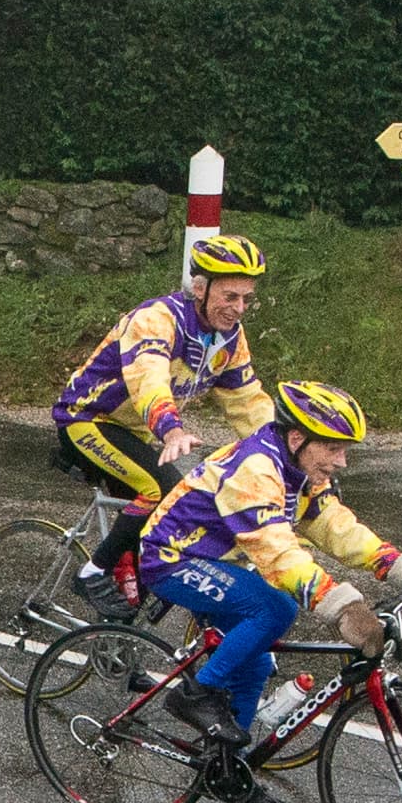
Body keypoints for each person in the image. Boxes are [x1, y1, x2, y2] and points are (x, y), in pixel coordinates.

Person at [134, 380, 402, 803]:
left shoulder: (297, 470)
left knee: (255, 661)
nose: (341, 461)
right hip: (172, 558)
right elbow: (278, 554)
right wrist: (344, 608)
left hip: (222, 559)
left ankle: (227, 767)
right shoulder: (256, 470)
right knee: (274, 607)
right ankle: (198, 695)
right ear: (298, 438)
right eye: (333, 448)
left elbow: (334, 527)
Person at [54, 231, 274, 613]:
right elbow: (148, 380)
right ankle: (91, 572)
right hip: (87, 418)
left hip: (133, 430)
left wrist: (285, 453)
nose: (239, 308)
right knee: (162, 490)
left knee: (171, 522)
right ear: (201, 289)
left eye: (246, 299)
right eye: (230, 297)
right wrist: (170, 427)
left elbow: (248, 403)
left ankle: (124, 650)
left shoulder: (229, 340)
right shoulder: (157, 320)